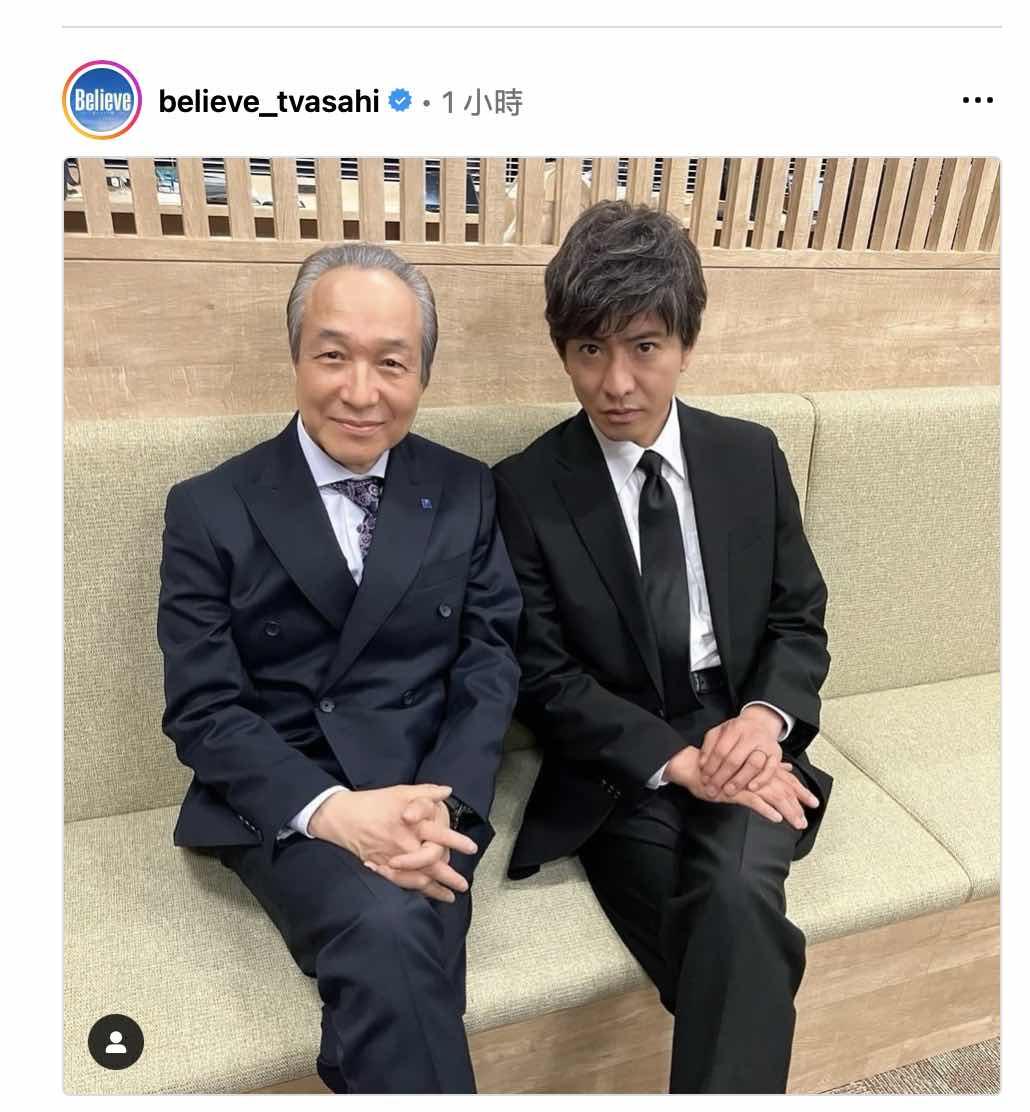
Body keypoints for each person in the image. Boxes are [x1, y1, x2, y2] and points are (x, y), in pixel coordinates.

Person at [157, 242, 521, 1094]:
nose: (361, 392)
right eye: (333, 356)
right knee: (393, 928)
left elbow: (491, 660)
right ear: (295, 356)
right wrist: (335, 814)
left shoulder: (466, 488)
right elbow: (203, 710)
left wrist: (441, 806)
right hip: (288, 796)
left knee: (398, 930)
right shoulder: (209, 507)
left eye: (391, 363)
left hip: (429, 788)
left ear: (422, 375)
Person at [492, 200, 833, 1094]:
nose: (616, 382)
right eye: (589, 350)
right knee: (731, 939)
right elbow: (542, 674)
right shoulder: (524, 488)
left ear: (685, 343)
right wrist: (676, 761)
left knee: (734, 893)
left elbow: (799, 617)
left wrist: (761, 723)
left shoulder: (749, 456)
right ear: (563, 351)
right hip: (617, 757)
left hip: (740, 730)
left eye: (644, 346)